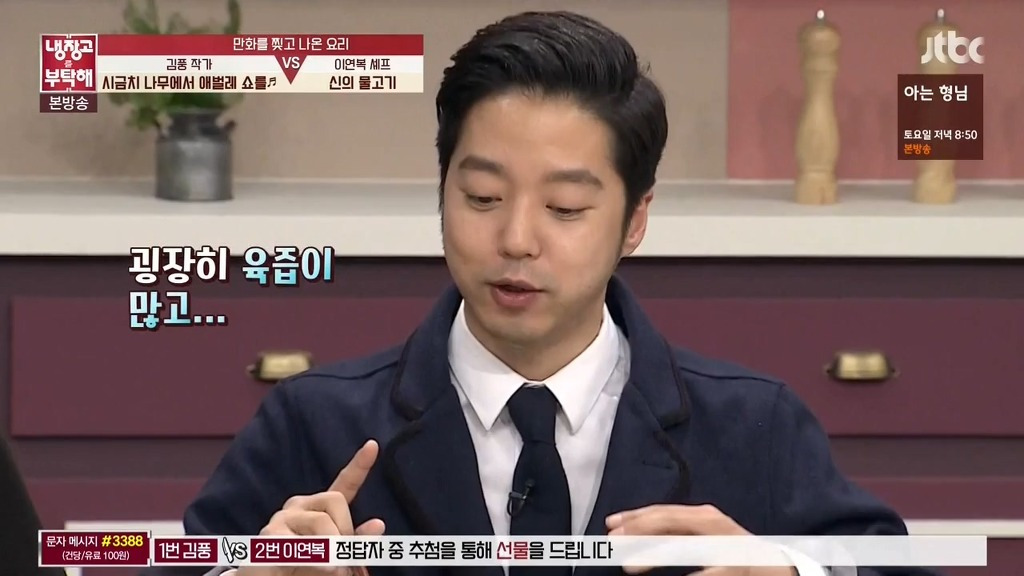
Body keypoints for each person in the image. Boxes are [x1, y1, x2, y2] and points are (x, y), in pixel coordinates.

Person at [152, 10, 941, 576]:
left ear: (635, 221)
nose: (517, 238)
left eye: (565, 208)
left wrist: (794, 572)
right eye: (483, 197)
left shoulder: (753, 428)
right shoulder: (313, 424)